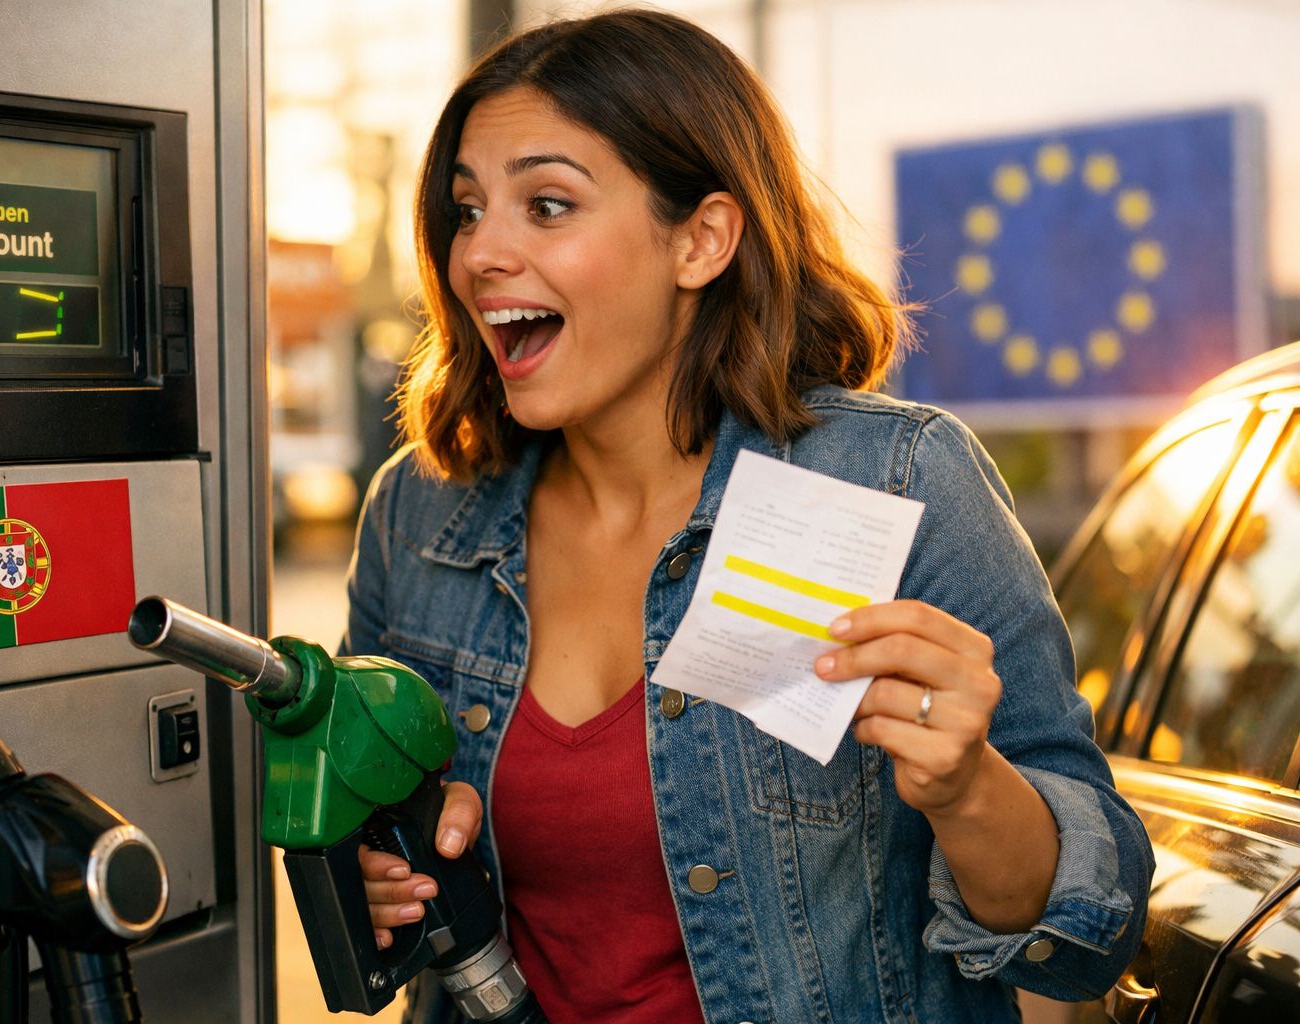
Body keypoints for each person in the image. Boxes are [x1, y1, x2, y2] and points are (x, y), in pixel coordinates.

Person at [342, 9, 1152, 1023]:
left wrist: (968, 788)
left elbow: (1096, 936)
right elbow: (363, 839)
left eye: (547, 205)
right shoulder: (420, 513)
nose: (480, 254)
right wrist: (383, 873)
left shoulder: (897, 480)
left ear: (702, 240)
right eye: (467, 210)